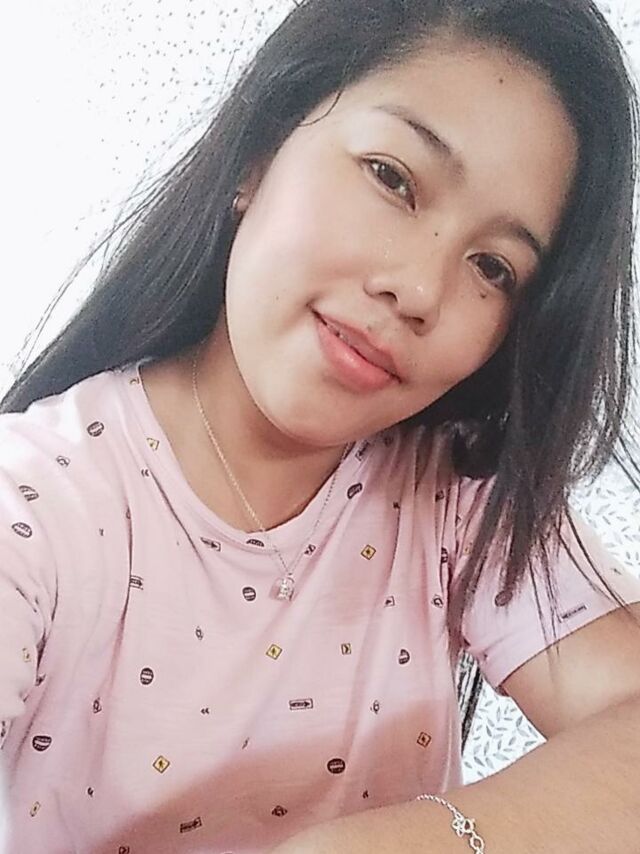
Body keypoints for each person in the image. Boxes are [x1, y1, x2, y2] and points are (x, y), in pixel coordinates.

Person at [2, 0, 640, 851]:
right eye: (393, 178)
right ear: (260, 154)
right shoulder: (36, 505)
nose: (419, 290)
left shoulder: (453, 494)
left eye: (493, 266)